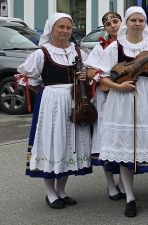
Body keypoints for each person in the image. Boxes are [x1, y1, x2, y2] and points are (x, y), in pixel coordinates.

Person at [89, 7, 148, 217]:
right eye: (134, 20)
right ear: (127, 22)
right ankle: (130, 197)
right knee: (127, 147)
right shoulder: (115, 47)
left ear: (145, 23)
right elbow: (99, 75)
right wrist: (118, 87)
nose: (137, 23)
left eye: (141, 20)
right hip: (123, 98)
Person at [17, 13, 93, 209]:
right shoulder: (42, 53)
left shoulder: (78, 52)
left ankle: (61, 190)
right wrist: (48, 94)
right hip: (51, 103)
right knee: (52, 142)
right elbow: (30, 80)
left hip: (74, 101)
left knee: (68, 143)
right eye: (61, 27)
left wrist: (85, 77)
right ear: (51, 29)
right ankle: (50, 192)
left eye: (68, 27)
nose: (65, 31)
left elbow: (90, 77)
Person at [85, 11, 125, 200]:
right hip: (106, 96)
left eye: (116, 21)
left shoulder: (131, 43)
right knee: (106, 138)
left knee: (126, 137)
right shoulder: (99, 48)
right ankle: (110, 184)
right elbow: (91, 72)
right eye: (109, 25)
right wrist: (108, 81)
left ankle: (124, 182)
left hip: (126, 94)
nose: (113, 26)